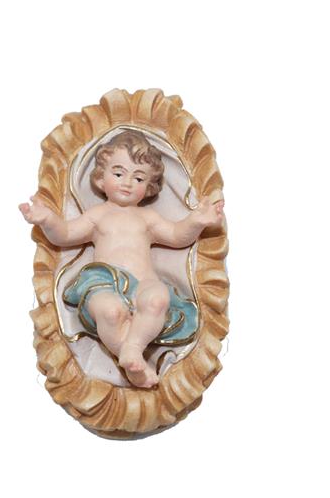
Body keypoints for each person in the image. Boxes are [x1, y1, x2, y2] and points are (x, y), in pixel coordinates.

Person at [19, 131, 223, 388]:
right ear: (101, 177)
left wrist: (197, 221)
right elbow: (66, 234)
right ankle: (132, 359)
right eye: (118, 174)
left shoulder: (147, 218)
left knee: (158, 299)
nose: (127, 183)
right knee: (110, 311)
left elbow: (176, 235)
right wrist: (47, 220)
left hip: (144, 283)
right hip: (104, 283)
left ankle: (131, 351)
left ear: (149, 186)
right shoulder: (98, 216)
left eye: (138, 178)